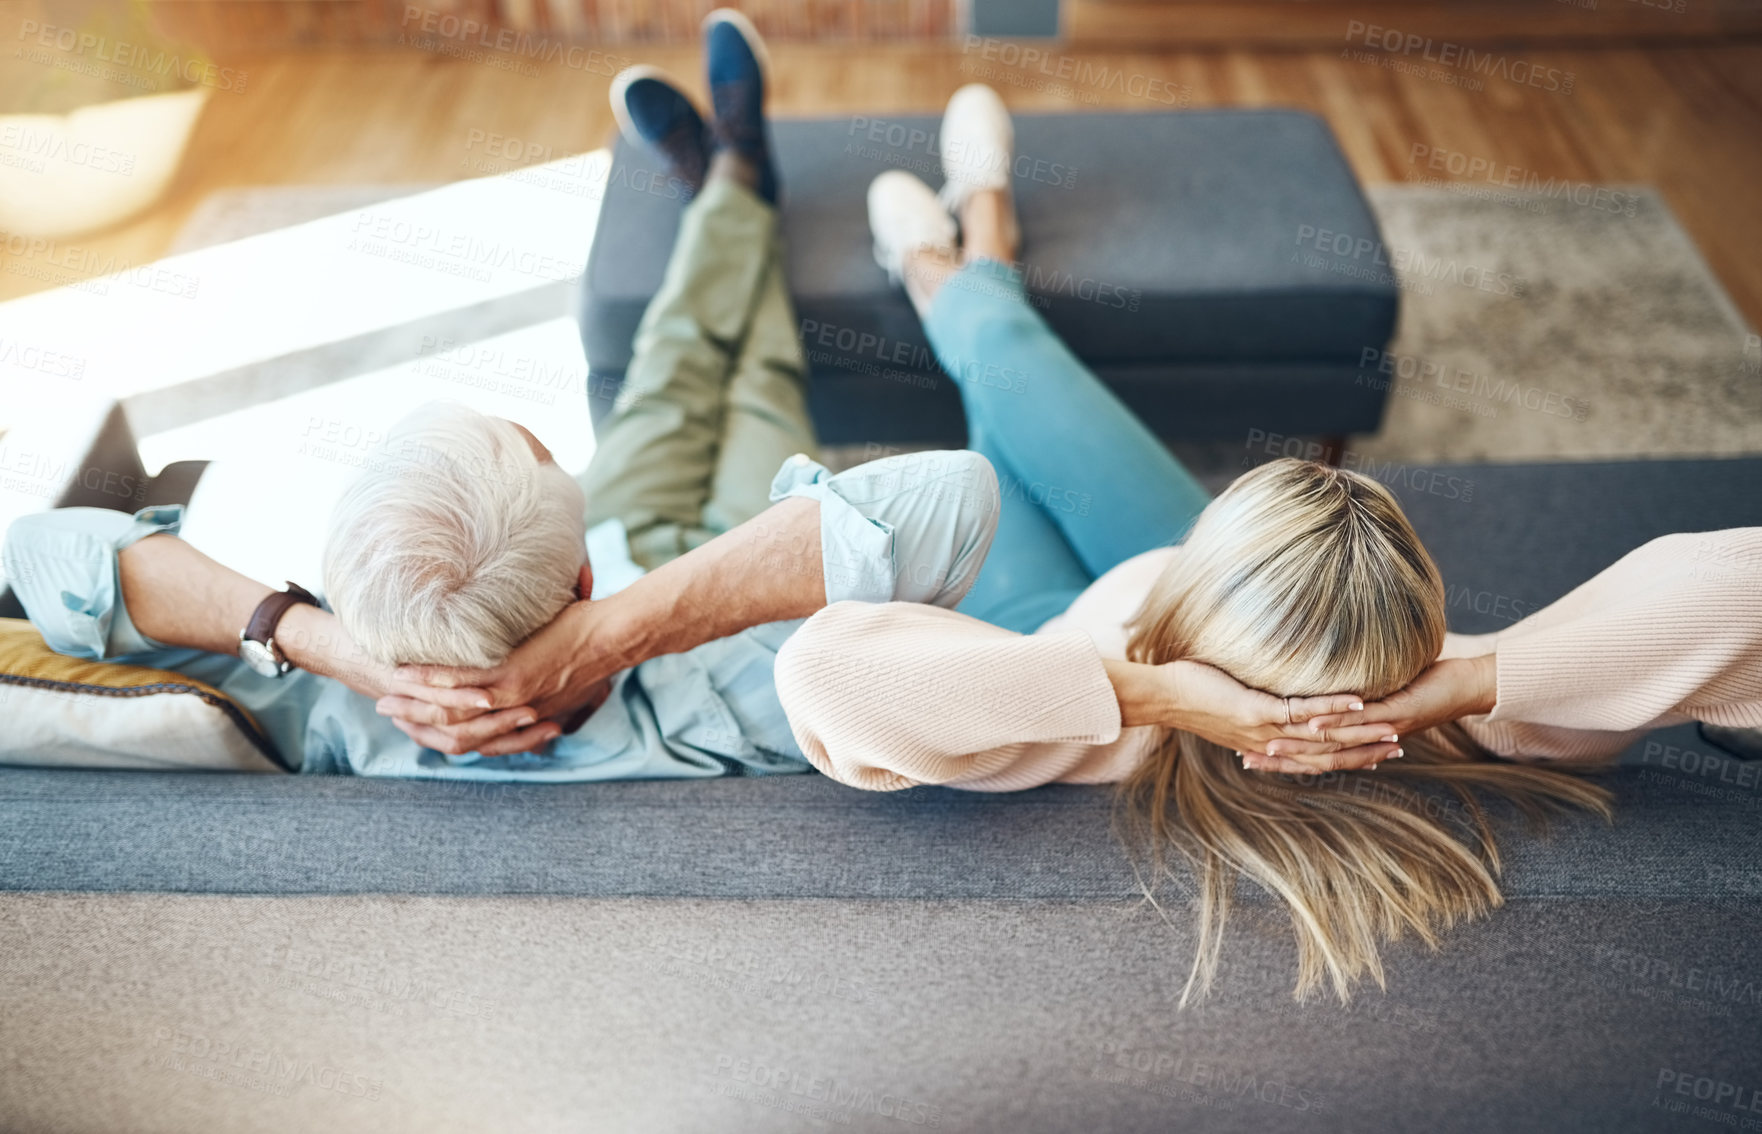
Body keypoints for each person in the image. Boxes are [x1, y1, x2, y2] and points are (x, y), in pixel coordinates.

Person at [765, 86, 1762, 1002]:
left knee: (983, 444)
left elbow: (824, 671)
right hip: (1202, 579)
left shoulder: (1075, 742)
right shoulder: (1496, 708)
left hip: (1061, 632)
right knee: (1009, 381)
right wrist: (1462, 683)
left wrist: (1151, 691)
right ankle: (981, 251)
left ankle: (954, 261)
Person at [0, 12, 1006, 781]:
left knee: (668, 367)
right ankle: (740, 182)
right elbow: (953, 502)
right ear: (579, 584)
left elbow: (40, 555)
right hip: (722, 590)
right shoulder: (757, 712)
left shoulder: (332, 718)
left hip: (601, 546)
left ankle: (727, 190)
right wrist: (618, 633)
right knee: (751, 382)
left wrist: (314, 639)